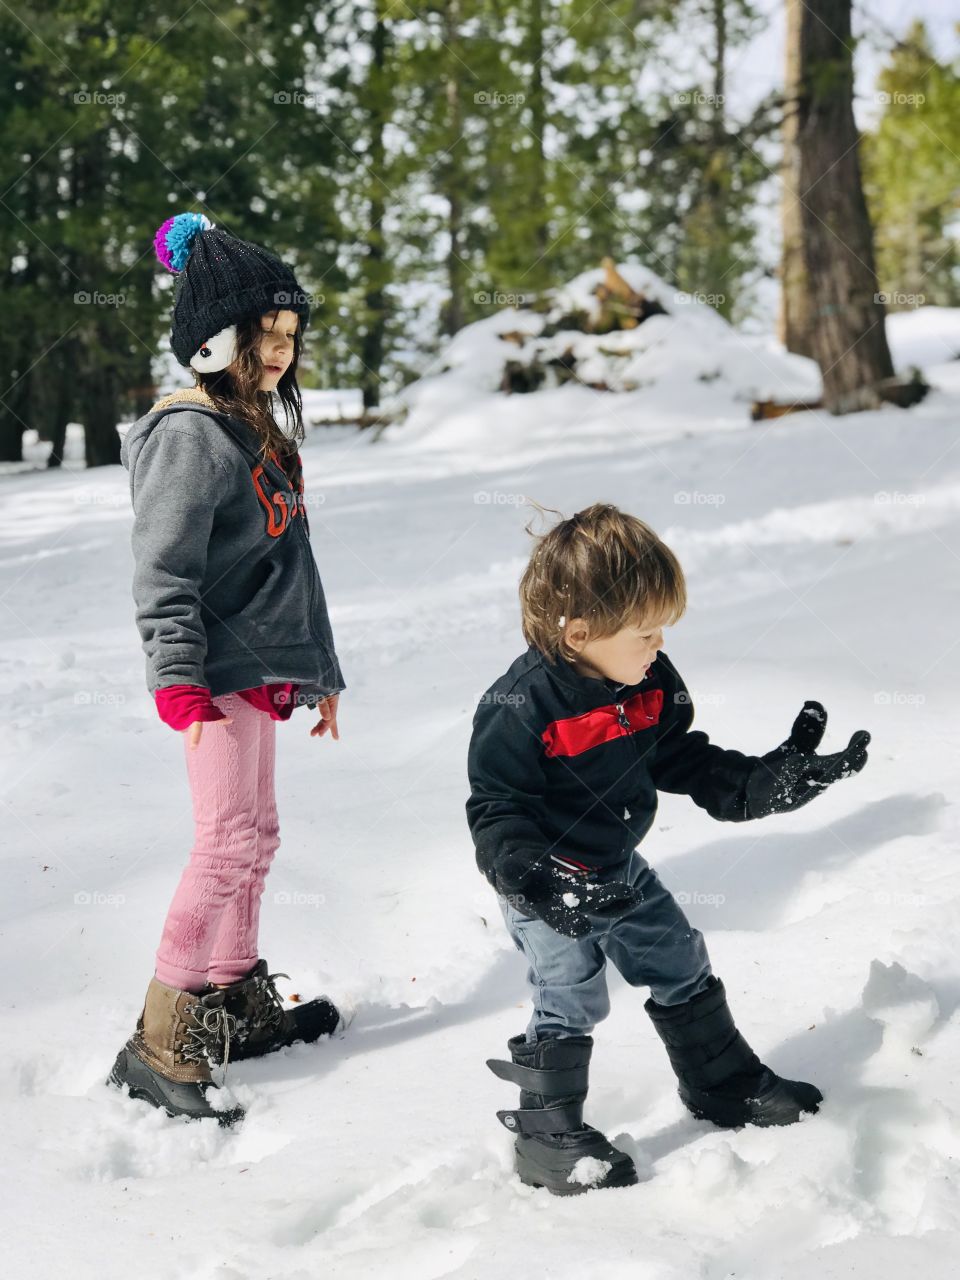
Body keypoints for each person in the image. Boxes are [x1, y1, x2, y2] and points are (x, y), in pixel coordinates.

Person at [466, 502, 870, 1195]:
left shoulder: (646, 681)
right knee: (570, 997)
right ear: (580, 631)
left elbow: (679, 757)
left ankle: (721, 1084)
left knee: (680, 960)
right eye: (644, 633)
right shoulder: (521, 706)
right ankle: (545, 1138)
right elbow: (496, 809)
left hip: (619, 867)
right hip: (547, 886)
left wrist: (756, 785)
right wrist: (538, 879)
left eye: (662, 632)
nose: (657, 647)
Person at [108, 212, 346, 1126]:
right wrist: (178, 685)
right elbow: (162, 571)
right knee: (222, 846)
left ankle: (233, 1003)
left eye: (290, 336)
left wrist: (318, 675)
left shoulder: (254, 429)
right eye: (264, 334)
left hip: (256, 676)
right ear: (216, 338)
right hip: (210, 680)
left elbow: (293, 569)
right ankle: (162, 1043)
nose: (281, 351)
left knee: (259, 837)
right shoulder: (189, 435)